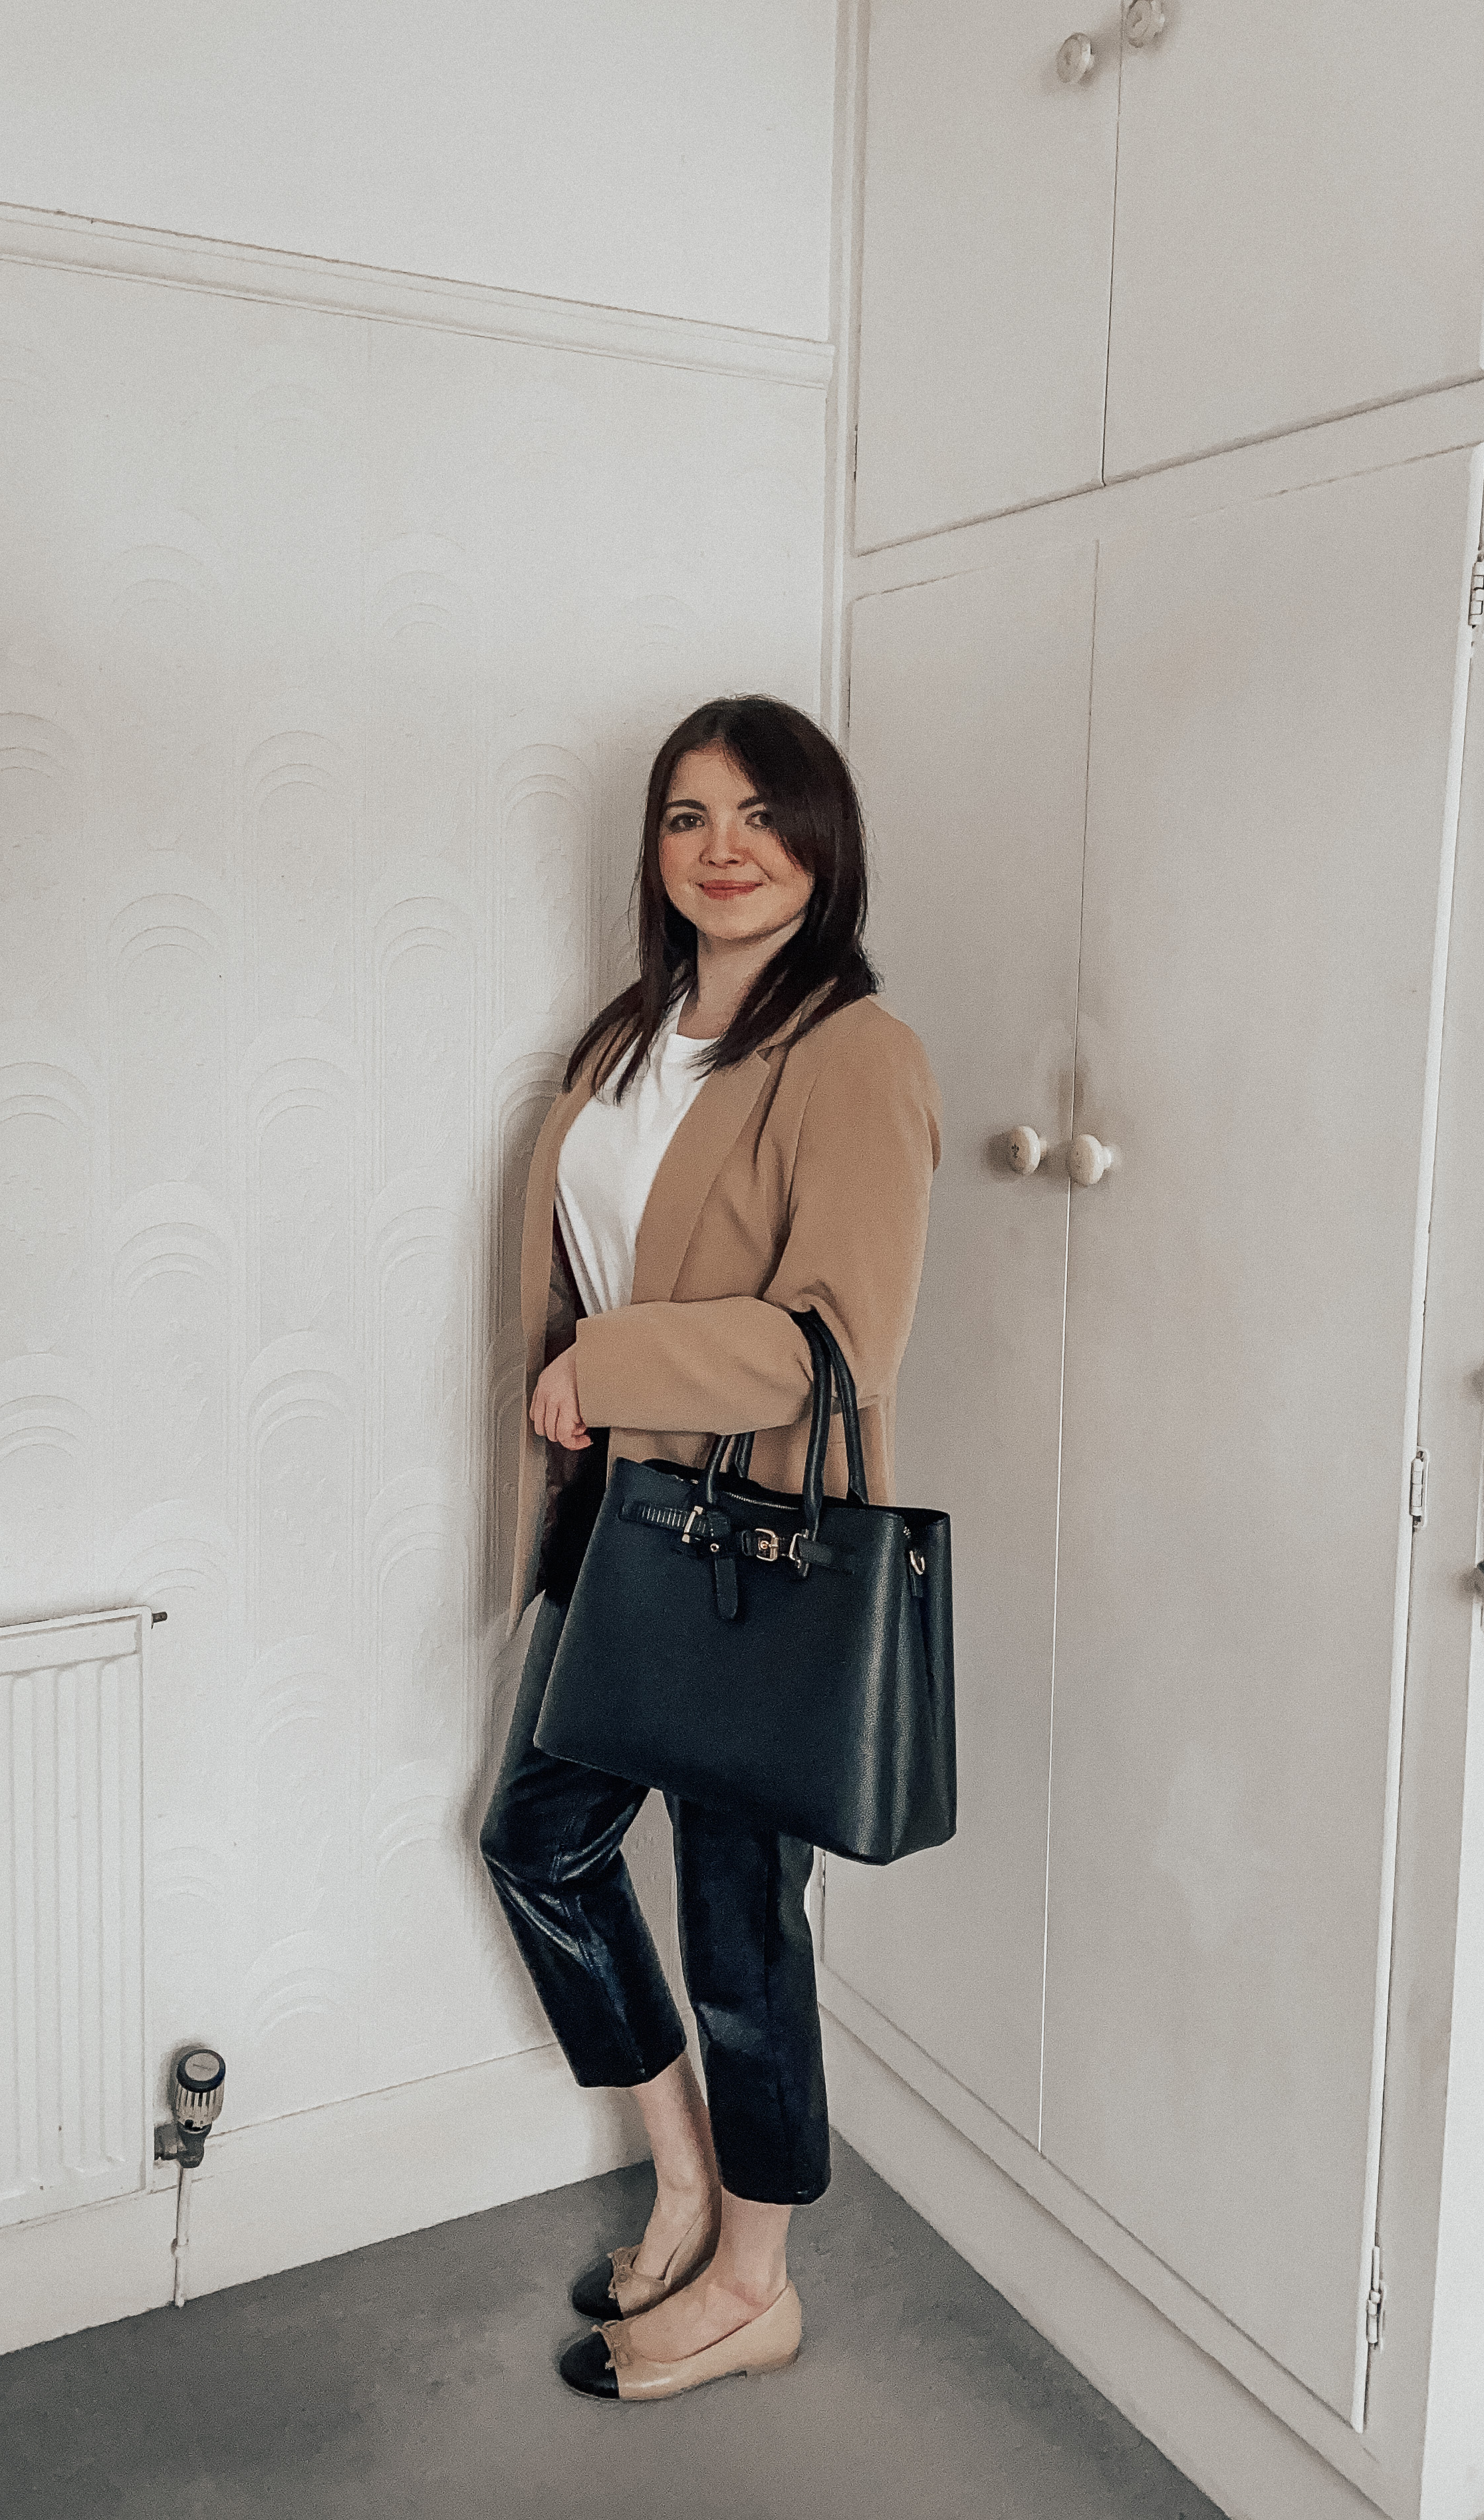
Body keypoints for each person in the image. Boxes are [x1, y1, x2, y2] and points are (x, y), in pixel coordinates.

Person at [479, 693, 941, 2403]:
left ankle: (758, 2283)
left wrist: (606, 1368)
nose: (723, 845)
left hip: (755, 1541)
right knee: (540, 1841)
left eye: (762, 812)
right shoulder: (636, 1032)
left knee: (745, 1918)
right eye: (687, 815)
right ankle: (684, 2178)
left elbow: (841, 1340)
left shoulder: (855, 1052)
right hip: (617, 1522)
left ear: (823, 844)